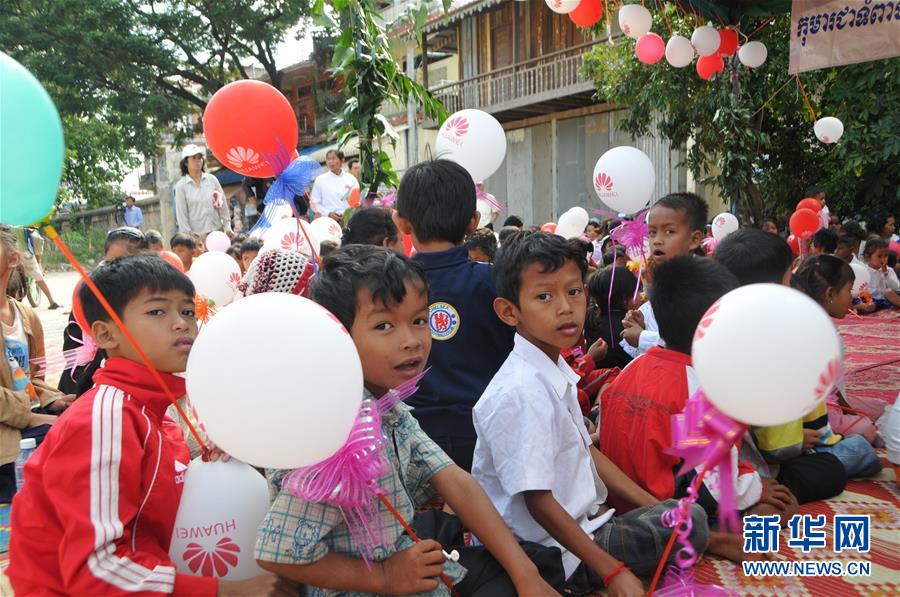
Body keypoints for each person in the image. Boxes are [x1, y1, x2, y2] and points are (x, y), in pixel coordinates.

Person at [256, 245, 561, 597]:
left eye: (418, 320)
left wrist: (526, 575)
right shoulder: (335, 435)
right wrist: (383, 577)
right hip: (370, 585)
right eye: (384, 325)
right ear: (337, 338)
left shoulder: (385, 404)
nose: (412, 341)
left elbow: (455, 481)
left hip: (407, 562)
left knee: (536, 565)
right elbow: (276, 553)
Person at [9, 255, 287, 595]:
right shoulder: (105, 419)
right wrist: (227, 590)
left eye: (188, 311)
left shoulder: (156, 416)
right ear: (106, 334)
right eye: (157, 311)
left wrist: (204, 464)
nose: (181, 324)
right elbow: (96, 569)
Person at [472, 232, 711, 595]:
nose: (566, 307)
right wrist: (611, 571)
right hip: (549, 550)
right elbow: (538, 501)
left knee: (684, 513)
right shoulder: (520, 391)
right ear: (509, 311)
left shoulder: (550, 370)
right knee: (690, 522)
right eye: (544, 296)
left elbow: (587, 452)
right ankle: (592, 576)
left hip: (586, 523)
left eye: (573, 291)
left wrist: (662, 507)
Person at [601, 257, 797, 528]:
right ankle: (715, 534)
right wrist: (757, 487)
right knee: (786, 506)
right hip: (664, 510)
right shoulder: (703, 389)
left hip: (621, 500)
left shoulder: (632, 367)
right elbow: (715, 486)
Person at [394, 160, 514, 472]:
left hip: (415, 439)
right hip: (491, 430)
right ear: (474, 222)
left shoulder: (389, 288)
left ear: (401, 223)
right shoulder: (496, 280)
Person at [714, 229, 847, 504]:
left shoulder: (709, 322)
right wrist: (799, 439)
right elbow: (779, 447)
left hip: (700, 459)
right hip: (748, 463)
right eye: (788, 278)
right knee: (832, 468)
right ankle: (759, 498)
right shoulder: (777, 342)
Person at [790, 255, 883, 478]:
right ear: (830, 293)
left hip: (817, 406)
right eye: (848, 289)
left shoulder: (805, 320)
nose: (851, 296)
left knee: (878, 407)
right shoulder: (819, 331)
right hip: (814, 415)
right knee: (866, 430)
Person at [0, 225, 72, 502]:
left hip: (29, 421)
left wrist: (54, 400)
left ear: (13, 258)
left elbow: (32, 378)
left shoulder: (26, 315)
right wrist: (34, 417)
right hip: (11, 434)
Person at [58, 227, 149, 398]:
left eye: (129, 263)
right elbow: (72, 343)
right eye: (112, 263)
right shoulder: (90, 294)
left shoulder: (153, 296)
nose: (119, 271)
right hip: (89, 380)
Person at [620, 193, 708, 358]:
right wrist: (644, 325)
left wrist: (643, 337)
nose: (657, 241)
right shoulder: (663, 280)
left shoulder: (705, 283)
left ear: (695, 239)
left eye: (669, 231)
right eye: (652, 232)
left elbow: (697, 343)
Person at [584, 266, 637, 371]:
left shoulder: (592, 316)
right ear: (625, 299)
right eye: (637, 291)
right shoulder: (628, 327)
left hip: (598, 379)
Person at [174, 144, 233, 237]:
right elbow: (182, 214)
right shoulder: (181, 186)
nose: (198, 161)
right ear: (185, 162)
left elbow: (223, 205)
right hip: (197, 237)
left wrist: (227, 226)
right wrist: (190, 237)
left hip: (217, 232)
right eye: (193, 158)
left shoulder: (212, 179)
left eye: (200, 157)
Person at [15, 227, 62, 309]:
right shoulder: (25, 227)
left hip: (11, 255)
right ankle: (52, 301)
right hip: (26, 254)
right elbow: (38, 240)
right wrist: (38, 260)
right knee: (39, 277)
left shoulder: (5, 226)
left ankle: (15, 304)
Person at [309, 149, 359, 221]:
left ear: (342, 161)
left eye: (333, 158)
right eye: (328, 159)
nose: (330, 162)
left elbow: (356, 202)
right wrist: (328, 214)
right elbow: (314, 204)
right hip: (328, 222)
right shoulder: (320, 180)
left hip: (348, 220)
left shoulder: (351, 179)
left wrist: (348, 215)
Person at [863, 238, 900, 308]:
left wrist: (886, 274)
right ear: (867, 257)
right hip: (873, 300)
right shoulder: (864, 271)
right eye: (879, 256)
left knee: (888, 292)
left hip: (888, 299)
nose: (883, 259)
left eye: (885, 256)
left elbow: (896, 287)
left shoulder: (889, 270)